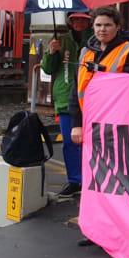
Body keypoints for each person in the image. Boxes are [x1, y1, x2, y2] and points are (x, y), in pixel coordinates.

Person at [68, 6, 129, 146]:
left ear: (118, 27)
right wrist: (76, 124)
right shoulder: (85, 52)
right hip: (88, 122)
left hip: (117, 125)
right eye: (98, 25)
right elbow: (76, 90)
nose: (102, 29)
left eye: (107, 25)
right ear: (92, 26)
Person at [40, 12, 93, 198]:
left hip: (91, 96)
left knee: (92, 142)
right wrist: (52, 52)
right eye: (75, 19)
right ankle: (75, 180)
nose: (80, 22)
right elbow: (48, 69)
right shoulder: (61, 40)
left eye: (84, 19)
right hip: (65, 97)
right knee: (70, 142)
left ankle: (91, 179)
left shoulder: (95, 39)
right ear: (70, 22)